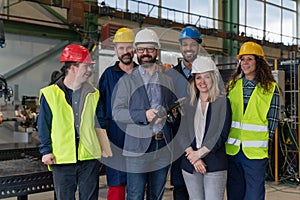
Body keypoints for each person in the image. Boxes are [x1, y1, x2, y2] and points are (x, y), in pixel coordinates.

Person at [112, 28, 176, 200]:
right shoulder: (126, 81)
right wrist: (144, 115)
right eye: (141, 49)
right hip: (137, 148)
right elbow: (117, 113)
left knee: (156, 195)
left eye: (150, 49)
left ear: (157, 51)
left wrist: (171, 114)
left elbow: (172, 110)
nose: (145, 53)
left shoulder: (167, 80)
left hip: (162, 145)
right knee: (135, 195)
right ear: (136, 52)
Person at [38, 44, 104, 200]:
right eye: (86, 66)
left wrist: (104, 148)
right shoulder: (50, 94)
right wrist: (46, 151)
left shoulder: (94, 94)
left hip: (89, 157)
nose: (89, 70)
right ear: (73, 67)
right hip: (62, 158)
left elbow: (100, 124)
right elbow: (43, 125)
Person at [225, 41, 280, 200]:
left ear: (258, 62)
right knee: (234, 193)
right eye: (242, 59)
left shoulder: (270, 88)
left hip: (255, 153)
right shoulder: (232, 85)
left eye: (250, 59)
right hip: (233, 150)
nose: (245, 63)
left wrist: (263, 140)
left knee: (254, 195)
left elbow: (272, 119)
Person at [181, 56, 232, 200]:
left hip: (215, 162)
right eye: (198, 78)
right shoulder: (188, 103)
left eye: (206, 77)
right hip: (190, 163)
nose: (202, 82)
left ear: (213, 79)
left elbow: (221, 134)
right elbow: (181, 133)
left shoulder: (222, 102)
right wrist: (194, 158)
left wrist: (200, 154)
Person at [97, 27, 137, 200]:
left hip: (139, 139)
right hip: (115, 139)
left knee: (137, 185)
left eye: (129, 47)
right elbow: (100, 109)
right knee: (116, 185)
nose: (125, 52)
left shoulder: (144, 73)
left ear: (134, 49)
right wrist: (103, 142)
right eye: (121, 48)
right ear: (115, 50)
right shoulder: (108, 76)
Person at [167, 25, 202, 200]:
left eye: (193, 44)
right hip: (178, 142)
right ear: (180, 47)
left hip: (201, 140)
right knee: (180, 187)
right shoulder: (170, 75)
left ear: (199, 47)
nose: (189, 48)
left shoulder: (206, 74)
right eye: (185, 44)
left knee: (200, 187)